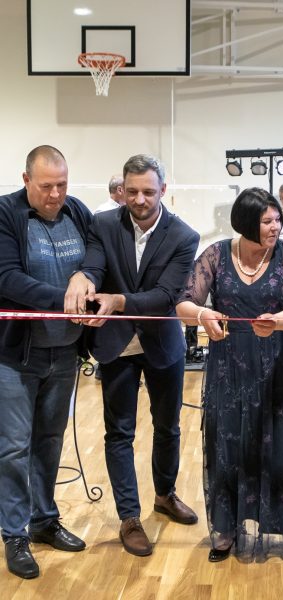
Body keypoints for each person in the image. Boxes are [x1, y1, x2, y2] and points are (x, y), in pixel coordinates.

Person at [176, 187, 283, 563]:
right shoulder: (215, 255)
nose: (276, 227)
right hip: (231, 366)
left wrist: (276, 321)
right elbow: (184, 303)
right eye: (267, 221)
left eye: (277, 220)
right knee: (230, 445)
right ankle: (227, 528)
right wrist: (203, 315)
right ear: (246, 223)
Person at [64, 154, 200, 557]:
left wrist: (118, 300)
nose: (139, 200)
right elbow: (94, 264)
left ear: (163, 190)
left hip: (162, 344)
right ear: (122, 189)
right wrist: (84, 277)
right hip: (116, 345)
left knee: (168, 427)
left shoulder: (184, 236)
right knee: (119, 433)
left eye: (148, 192)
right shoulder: (103, 223)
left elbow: (165, 297)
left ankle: (165, 494)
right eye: (132, 191)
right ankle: (129, 516)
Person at [0, 145, 92, 579]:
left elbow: (96, 255)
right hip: (17, 356)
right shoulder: (6, 214)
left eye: (62, 185)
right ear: (26, 181)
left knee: (50, 441)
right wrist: (64, 298)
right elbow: (7, 278)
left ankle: (43, 520)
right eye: (46, 186)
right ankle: (14, 533)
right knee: (14, 448)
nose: (56, 194)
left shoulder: (77, 211)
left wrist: (86, 277)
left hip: (66, 351)